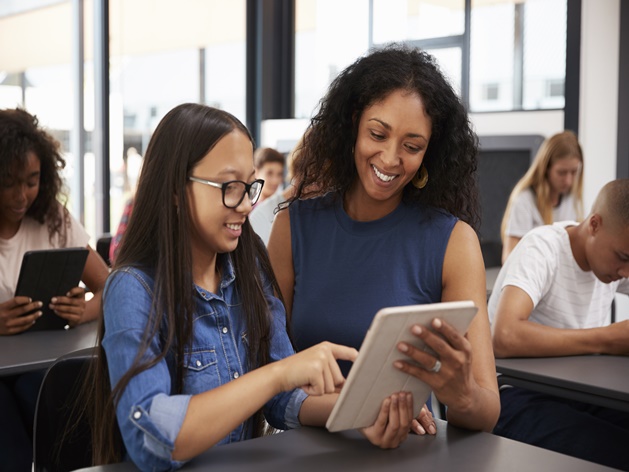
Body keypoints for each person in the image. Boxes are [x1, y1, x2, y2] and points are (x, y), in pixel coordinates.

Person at [86, 103, 429, 472]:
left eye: (250, 186)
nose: (248, 204)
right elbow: (153, 440)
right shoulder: (133, 289)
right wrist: (277, 374)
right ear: (174, 189)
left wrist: (363, 411)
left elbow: (283, 399)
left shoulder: (248, 270)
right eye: (230, 187)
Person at [267, 43, 500, 434]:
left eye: (412, 146)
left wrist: (461, 394)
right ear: (355, 122)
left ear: (430, 152)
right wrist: (358, 410)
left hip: (402, 453)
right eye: (378, 133)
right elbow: (266, 378)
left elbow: (485, 411)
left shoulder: (453, 242)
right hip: (301, 450)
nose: (391, 159)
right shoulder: (293, 228)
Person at [488, 178, 629, 470]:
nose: (626, 272)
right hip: (511, 393)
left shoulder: (612, 264)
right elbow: (504, 336)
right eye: (623, 257)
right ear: (594, 225)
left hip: (577, 389)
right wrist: (606, 339)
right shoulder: (542, 248)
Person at [0, 107, 109, 471]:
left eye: (31, 180)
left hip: (43, 366)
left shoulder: (53, 218)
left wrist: (85, 311)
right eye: (8, 182)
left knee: (63, 405)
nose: (21, 195)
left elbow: (110, 285)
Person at [500, 130, 584, 264]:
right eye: (561, 173)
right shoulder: (524, 199)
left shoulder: (570, 198)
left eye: (574, 172)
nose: (568, 181)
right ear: (546, 169)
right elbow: (509, 258)